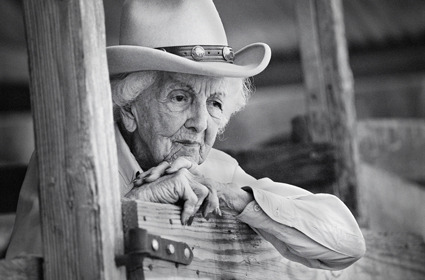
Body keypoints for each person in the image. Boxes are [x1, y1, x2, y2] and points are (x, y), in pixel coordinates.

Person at [7, 0, 365, 270]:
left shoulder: (219, 172)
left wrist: (237, 200)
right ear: (130, 108)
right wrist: (136, 203)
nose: (200, 122)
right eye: (180, 97)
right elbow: (31, 268)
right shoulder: (72, 161)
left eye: (214, 103)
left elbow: (347, 244)